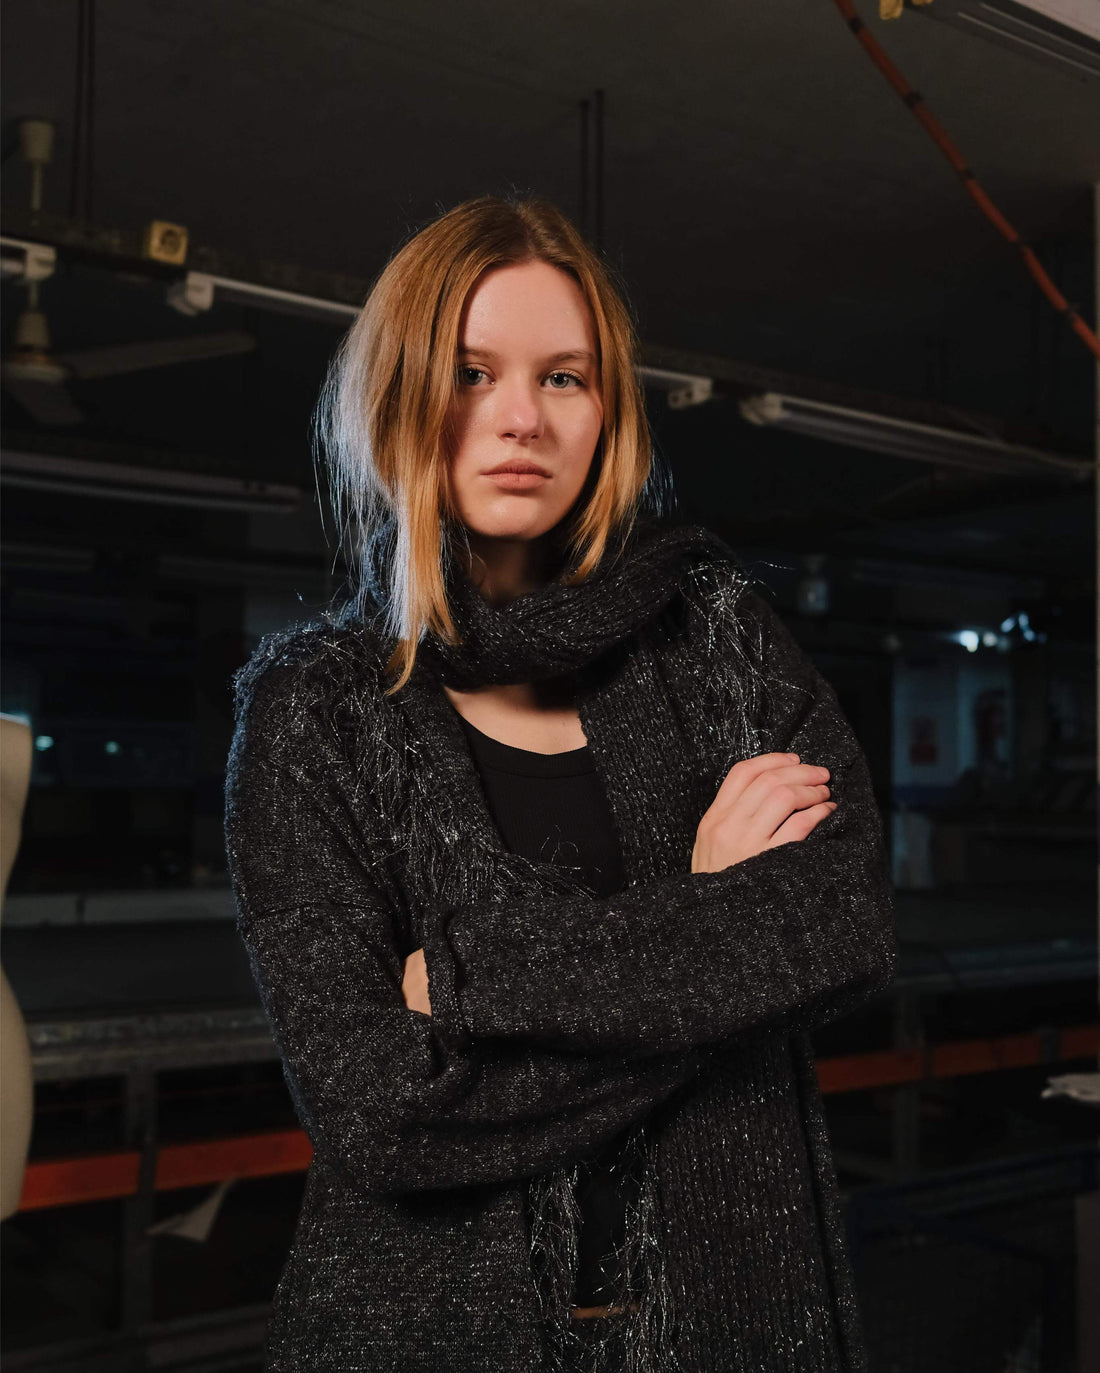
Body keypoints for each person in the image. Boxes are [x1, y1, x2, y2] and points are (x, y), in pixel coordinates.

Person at [223, 193, 898, 1373]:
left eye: (565, 378)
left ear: (609, 413)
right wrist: (714, 931)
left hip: (736, 1321)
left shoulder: (711, 634)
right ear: (395, 395)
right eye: (471, 371)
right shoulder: (313, 708)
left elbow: (839, 920)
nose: (519, 418)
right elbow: (382, 1109)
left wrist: (475, 979)